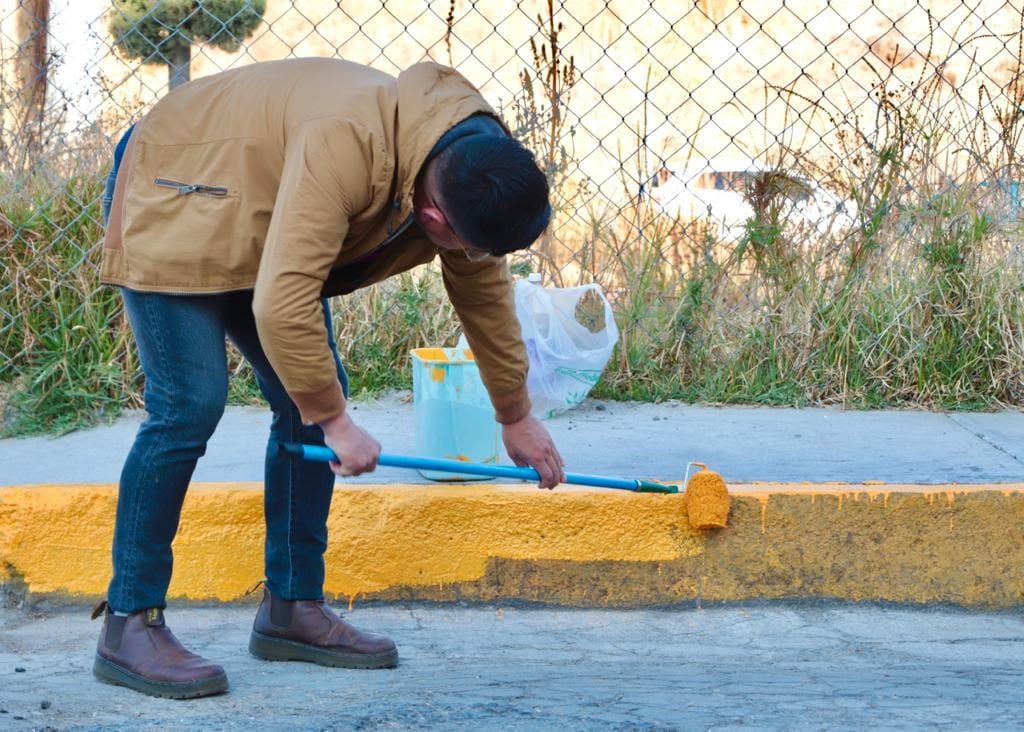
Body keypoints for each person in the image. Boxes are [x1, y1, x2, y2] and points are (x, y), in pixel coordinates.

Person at [93, 57, 565, 699]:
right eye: (470, 245)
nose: (481, 261)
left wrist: (515, 414)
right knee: (189, 404)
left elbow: (481, 285)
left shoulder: (465, 154)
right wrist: (337, 422)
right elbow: (283, 301)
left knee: (303, 399)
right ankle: (129, 623)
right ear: (434, 221)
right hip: (176, 181)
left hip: (256, 203)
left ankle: (291, 609)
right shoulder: (348, 145)